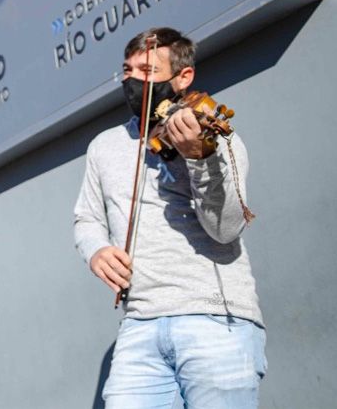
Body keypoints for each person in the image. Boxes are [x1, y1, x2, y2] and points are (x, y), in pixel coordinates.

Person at [73, 27, 265, 408]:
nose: (133, 81)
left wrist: (200, 159)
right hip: (138, 325)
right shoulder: (104, 146)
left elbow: (226, 228)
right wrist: (96, 250)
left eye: (147, 71)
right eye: (127, 71)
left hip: (215, 319)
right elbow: (87, 218)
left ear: (183, 77)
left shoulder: (215, 135)